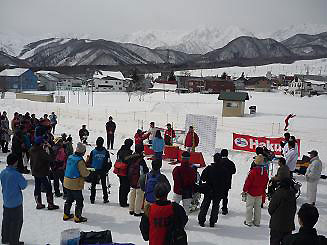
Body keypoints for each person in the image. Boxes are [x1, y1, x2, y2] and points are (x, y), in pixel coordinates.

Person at [0, 154, 27, 245]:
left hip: (6, 201)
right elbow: (24, 185)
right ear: (15, 162)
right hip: (16, 203)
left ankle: (5, 238)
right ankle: (14, 241)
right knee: (16, 222)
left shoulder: (3, 172)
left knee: (6, 220)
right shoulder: (16, 174)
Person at [198, 153, 229, 227]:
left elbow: (203, 178)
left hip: (209, 190)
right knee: (215, 206)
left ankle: (201, 220)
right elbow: (226, 180)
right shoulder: (224, 170)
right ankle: (212, 221)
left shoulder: (209, 168)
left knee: (205, 205)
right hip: (219, 191)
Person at [29, 136, 59, 210]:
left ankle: (38, 203)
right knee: (48, 188)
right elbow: (51, 158)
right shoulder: (41, 152)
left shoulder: (32, 149)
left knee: (37, 187)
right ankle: (50, 204)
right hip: (43, 172)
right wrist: (50, 148)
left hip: (35, 171)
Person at [63, 142, 90, 223]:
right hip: (75, 183)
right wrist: (89, 172)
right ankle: (77, 217)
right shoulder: (80, 161)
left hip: (67, 181)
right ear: (82, 152)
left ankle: (66, 214)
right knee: (79, 200)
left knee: (69, 199)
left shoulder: (70, 157)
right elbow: (84, 173)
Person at [268, 178, 297, 245]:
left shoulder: (278, 193)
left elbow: (271, 209)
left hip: (277, 225)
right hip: (288, 225)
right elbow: (294, 209)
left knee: (274, 242)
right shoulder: (292, 195)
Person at [243, 154, 269, 227]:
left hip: (251, 192)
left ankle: (248, 221)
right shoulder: (265, 171)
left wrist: (245, 190)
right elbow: (266, 181)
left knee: (249, 207)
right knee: (258, 208)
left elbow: (248, 182)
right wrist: (263, 189)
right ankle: (257, 222)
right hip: (260, 192)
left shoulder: (253, 171)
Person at [126, 144, 149, 216]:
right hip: (139, 179)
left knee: (132, 193)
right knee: (139, 195)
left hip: (131, 178)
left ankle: (131, 209)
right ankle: (137, 211)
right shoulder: (141, 160)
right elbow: (145, 170)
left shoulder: (131, 157)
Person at [172, 151, 196, 215]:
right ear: (189, 159)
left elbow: (175, 179)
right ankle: (184, 221)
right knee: (186, 208)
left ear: (181, 158)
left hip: (178, 191)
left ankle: (174, 220)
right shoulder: (192, 170)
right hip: (187, 192)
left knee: (174, 207)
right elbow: (193, 181)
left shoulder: (177, 169)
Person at [89, 137, 111, 204]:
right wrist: (107, 169)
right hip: (103, 170)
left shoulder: (93, 152)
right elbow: (109, 162)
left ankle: (92, 199)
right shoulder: (106, 152)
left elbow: (90, 161)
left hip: (94, 170)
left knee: (93, 185)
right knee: (104, 185)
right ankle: (105, 198)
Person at [116, 138, 134, 207]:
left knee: (122, 186)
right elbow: (127, 159)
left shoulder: (121, 150)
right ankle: (123, 202)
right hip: (125, 171)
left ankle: (122, 201)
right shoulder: (127, 152)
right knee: (125, 187)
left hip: (119, 170)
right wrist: (134, 156)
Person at [220, 149, 236, 215]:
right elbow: (234, 171)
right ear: (227, 155)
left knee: (217, 195)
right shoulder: (231, 163)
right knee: (225, 196)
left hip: (218, 182)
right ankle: (224, 209)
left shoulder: (219, 162)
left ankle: (215, 207)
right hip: (227, 182)